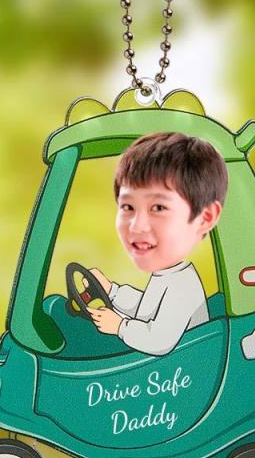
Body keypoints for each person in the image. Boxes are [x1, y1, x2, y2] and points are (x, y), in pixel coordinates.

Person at [87, 131, 227, 356]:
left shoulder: (183, 285)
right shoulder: (168, 275)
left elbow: (159, 340)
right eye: (128, 207)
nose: (137, 226)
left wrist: (120, 327)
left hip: (178, 369)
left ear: (204, 218)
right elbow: (146, 308)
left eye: (159, 208)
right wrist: (112, 291)